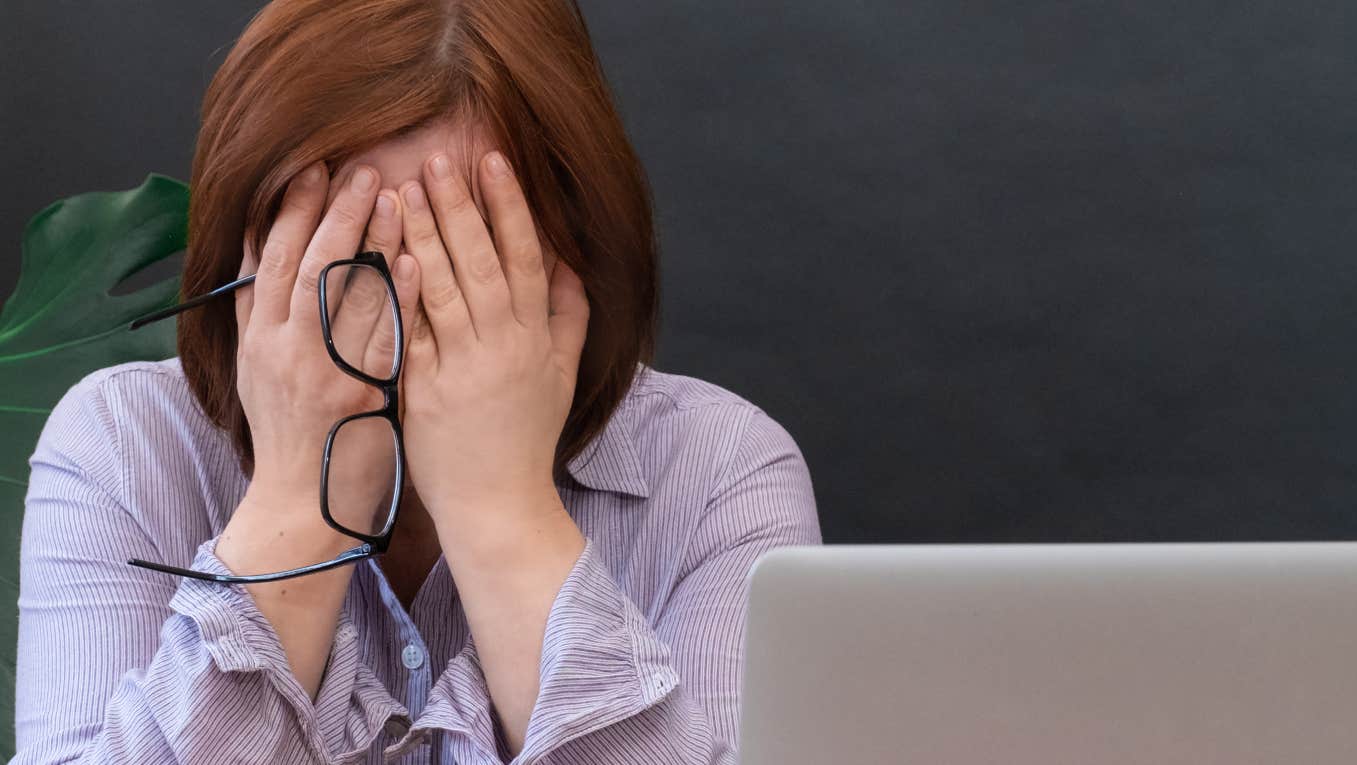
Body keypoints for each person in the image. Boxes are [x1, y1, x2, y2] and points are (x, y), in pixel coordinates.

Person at [12, 1, 820, 763]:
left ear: (573, 260)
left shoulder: (720, 472)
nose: (399, 316)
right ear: (250, 256)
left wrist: (503, 512)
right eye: (347, 252)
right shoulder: (125, 446)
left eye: (467, 260)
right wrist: (298, 498)